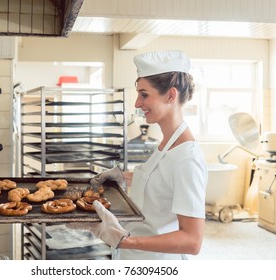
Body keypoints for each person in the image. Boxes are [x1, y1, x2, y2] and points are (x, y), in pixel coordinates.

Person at [87, 50, 208, 260]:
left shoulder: (187, 159)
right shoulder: (167, 144)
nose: (137, 103)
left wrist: (123, 239)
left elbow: (192, 241)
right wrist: (124, 177)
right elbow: (164, 183)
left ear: (171, 95)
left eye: (144, 94)